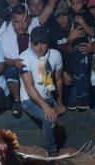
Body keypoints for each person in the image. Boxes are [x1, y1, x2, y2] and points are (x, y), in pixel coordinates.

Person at [19, 26, 66, 157]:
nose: (39, 47)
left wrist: (59, 101)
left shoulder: (55, 55)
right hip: (29, 100)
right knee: (48, 118)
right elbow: (29, 87)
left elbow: (59, 80)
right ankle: (52, 153)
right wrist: (46, 108)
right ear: (30, 43)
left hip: (48, 97)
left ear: (48, 42)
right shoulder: (24, 57)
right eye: (35, 44)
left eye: (43, 43)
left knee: (57, 115)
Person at [0, 4, 31, 116]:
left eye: (24, 21)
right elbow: (4, 59)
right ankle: (17, 100)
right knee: (9, 70)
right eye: (17, 22)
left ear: (29, 20)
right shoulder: (4, 36)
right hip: (15, 69)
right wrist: (14, 62)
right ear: (12, 21)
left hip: (34, 68)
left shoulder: (34, 31)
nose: (21, 25)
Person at [67, 0, 95, 110]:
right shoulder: (73, 14)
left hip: (83, 49)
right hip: (75, 50)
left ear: (84, 2)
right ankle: (79, 100)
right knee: (77, 76)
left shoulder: (87, 15)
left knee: (84, 76)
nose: (75, 6)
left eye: (78, 3)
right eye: (73, 4)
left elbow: (93, 33)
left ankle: (85, 101)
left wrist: (83, 22)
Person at [49, 1, 74, 108]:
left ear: (69, 15)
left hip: (78, 76)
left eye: (64, 15)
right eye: (58, 16)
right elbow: (50, 57)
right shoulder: (53, 32)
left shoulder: (77, 27)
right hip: (61, 77)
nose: (62, 19)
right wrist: (63, 74)